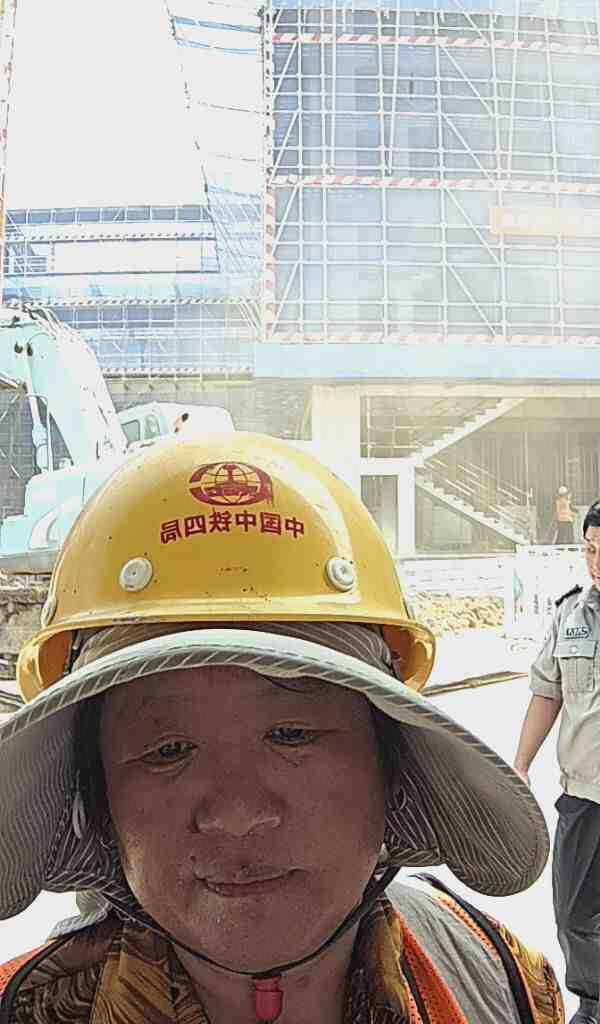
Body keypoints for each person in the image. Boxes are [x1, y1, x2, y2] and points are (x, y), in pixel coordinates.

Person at [0, 434, 564, 1024]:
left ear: (393, 768)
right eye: (170, 750)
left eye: (291, 735)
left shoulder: (497, 978)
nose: (238, 814)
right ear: (97, 802)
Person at [514, 499, 600, 1024]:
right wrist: (521, 764)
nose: (597, 562)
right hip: (584, 795)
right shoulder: (571, 614)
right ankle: (593, 1000)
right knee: (573, 914)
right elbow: (548, 692)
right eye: (590, 550)